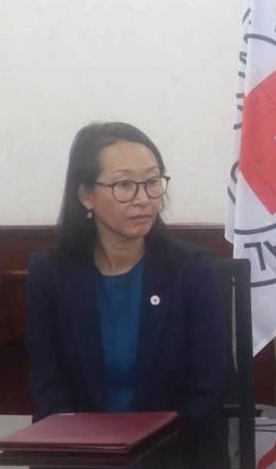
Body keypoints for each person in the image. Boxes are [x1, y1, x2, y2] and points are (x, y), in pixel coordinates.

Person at [25, 122, 227, 420]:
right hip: (78, 445)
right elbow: (49, 389)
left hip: (174, 444)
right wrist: (76, 443)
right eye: (124, 185)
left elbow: (206, 389)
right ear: (86, 195)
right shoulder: (49, 274)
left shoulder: (194, 270)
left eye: (152, 182)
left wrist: (162, 445)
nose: (143, 199)